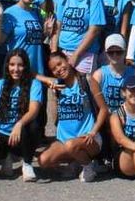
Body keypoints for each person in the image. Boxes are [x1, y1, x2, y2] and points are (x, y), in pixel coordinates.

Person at [34, 50, 110, 182]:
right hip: (65, 139)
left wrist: (93, 132)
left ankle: (88, 166)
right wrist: (53, 96)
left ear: (68, 60)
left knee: (71, 145)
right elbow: (56, 119)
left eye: (60, 64)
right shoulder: (58, 86)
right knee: (43, 160)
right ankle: (76, 162)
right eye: (54, 68)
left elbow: (104, 109)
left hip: (88, 138)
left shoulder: (86, 80)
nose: (59, 69)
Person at [0, 49, 48, 180]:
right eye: (12, 65)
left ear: (26, 67)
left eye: (20, 65)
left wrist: (19, 124)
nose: (16, 69)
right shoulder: (1, 84)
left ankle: (27, 163)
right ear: (7, 66)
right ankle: (6, 157)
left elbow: (34, 110)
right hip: (3, 132)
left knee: (34, 124)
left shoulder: (34, 84)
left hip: (23, 134)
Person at [50, 0, 108, 78]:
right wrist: (54, 53)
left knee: (83, 90)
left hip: (84, 54)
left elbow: (94, 30)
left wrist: (76, 55)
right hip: (63, 52)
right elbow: (58, 26)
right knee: (65, 91)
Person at [0, 0, 50, 77]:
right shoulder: (10, 12)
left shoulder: (36, 12)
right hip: (18, 69)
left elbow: (35, 39)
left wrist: (46, 32)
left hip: (37, 68)